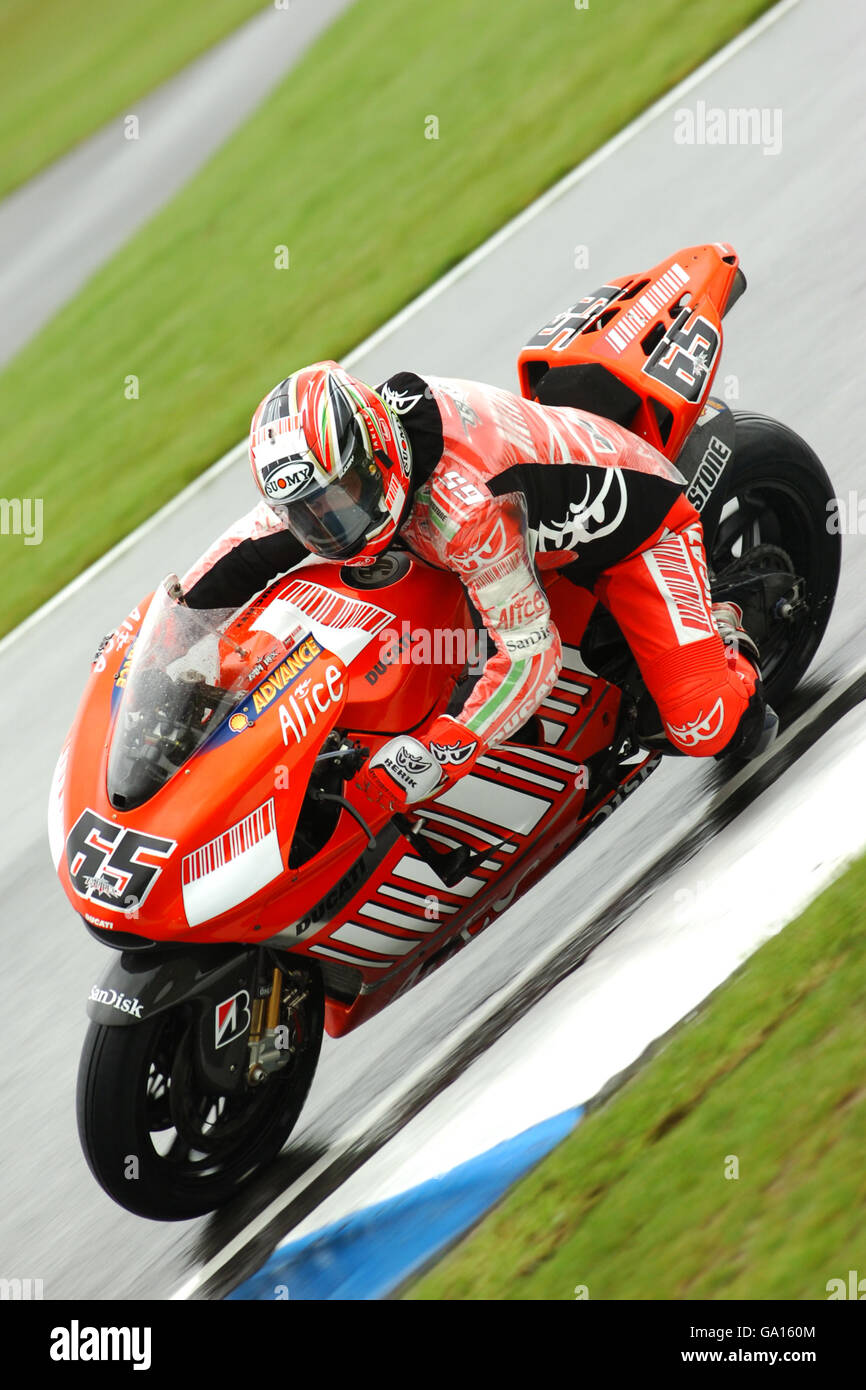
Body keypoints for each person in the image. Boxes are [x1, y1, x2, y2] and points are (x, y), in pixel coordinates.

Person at [182, 361, 777, 812]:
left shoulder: (461, 510)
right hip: (521, 532)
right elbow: (242, 550)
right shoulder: (346, 469)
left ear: (376, 457)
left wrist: (446, 749)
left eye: (338, 502)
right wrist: (165, 629)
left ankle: (726, 627)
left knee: (707, 726)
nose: (329, 526)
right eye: (309, 514)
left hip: (633, 530)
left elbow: (530, 654)